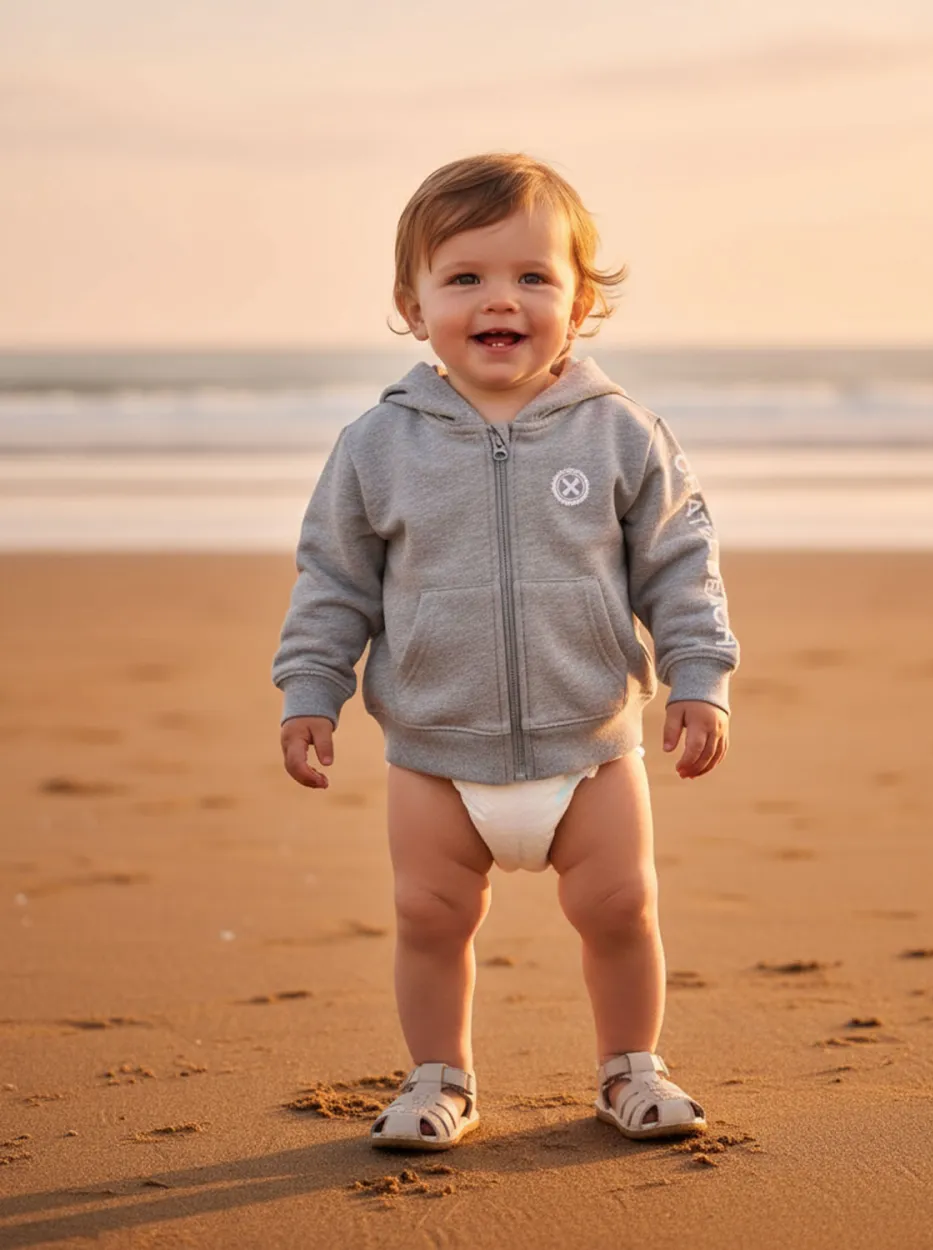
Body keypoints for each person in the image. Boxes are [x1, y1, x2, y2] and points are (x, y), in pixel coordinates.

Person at [272, 152, 739, 1151]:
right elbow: (334, 580)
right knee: (429, 915)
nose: (502, 300)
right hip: (436, 751)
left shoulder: (621, 434)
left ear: (580, 304)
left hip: (591, 741)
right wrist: (310, 690)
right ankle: (438, 1074)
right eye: (466, 277)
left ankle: (630, 1066)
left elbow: (678, 564)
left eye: (534, 277)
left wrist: (699, 675)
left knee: (621, 905)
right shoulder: (377, 446)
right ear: (412, 301)